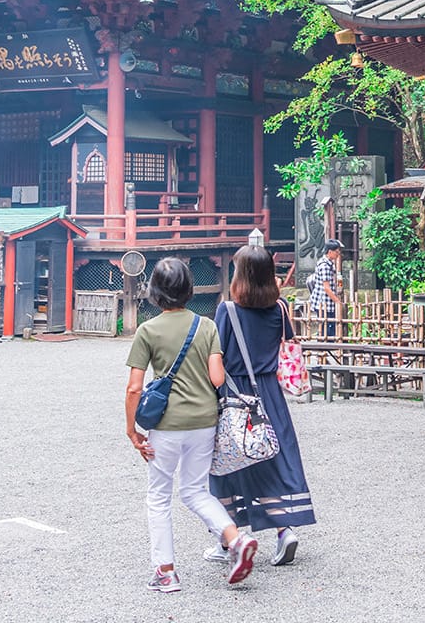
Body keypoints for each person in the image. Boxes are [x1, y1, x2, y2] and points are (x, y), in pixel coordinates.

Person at [124, 256, 258, 593]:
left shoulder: (147, 331)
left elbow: (134, 387)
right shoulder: (207, 325)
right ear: (189, 289)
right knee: (196, 490)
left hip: (165, 426)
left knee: (158, 497)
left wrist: (132, 430)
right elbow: (216, 378)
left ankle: (166, 572)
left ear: (154, 292)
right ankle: (235, 539)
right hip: (204, 422)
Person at [208, 245, 317, 568]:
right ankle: (285, 530)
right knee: (272, 459)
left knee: (229, 461)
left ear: (239, 275)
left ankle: (226, 539)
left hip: (235, 395)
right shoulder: (280, 309)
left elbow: (219, 356)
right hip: (269, 393)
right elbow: (286, 344)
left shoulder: (226, 311)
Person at [307, 239, 343, 339]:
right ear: (330, 252)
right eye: (336, 252)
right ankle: (325, 350)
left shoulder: (329, 263)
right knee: (327, 328)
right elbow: (326, 288)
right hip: (324, 302)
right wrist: (337, 302)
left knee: (327, 327)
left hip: (326, 302)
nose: (338, 254)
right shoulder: (324, 266)